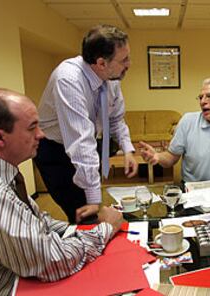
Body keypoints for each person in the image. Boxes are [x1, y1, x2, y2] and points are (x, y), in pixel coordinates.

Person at [0, 88, 124, 295]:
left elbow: (38, 222)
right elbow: (51, 262)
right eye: (32, 128)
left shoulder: (6, 176)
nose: (41, 135)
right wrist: (105, 229)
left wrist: (79, 230)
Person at [35, 24, 138, 224]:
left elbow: (116, 118)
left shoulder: (111, 78)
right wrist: (93, 199)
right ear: (101, 63)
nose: (129, 64)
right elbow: (80, 141)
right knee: (84, 216)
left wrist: (128, 150)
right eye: (124, 59)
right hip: (55, 151)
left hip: (84, 147)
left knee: (94, 212)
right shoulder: (68, 79)